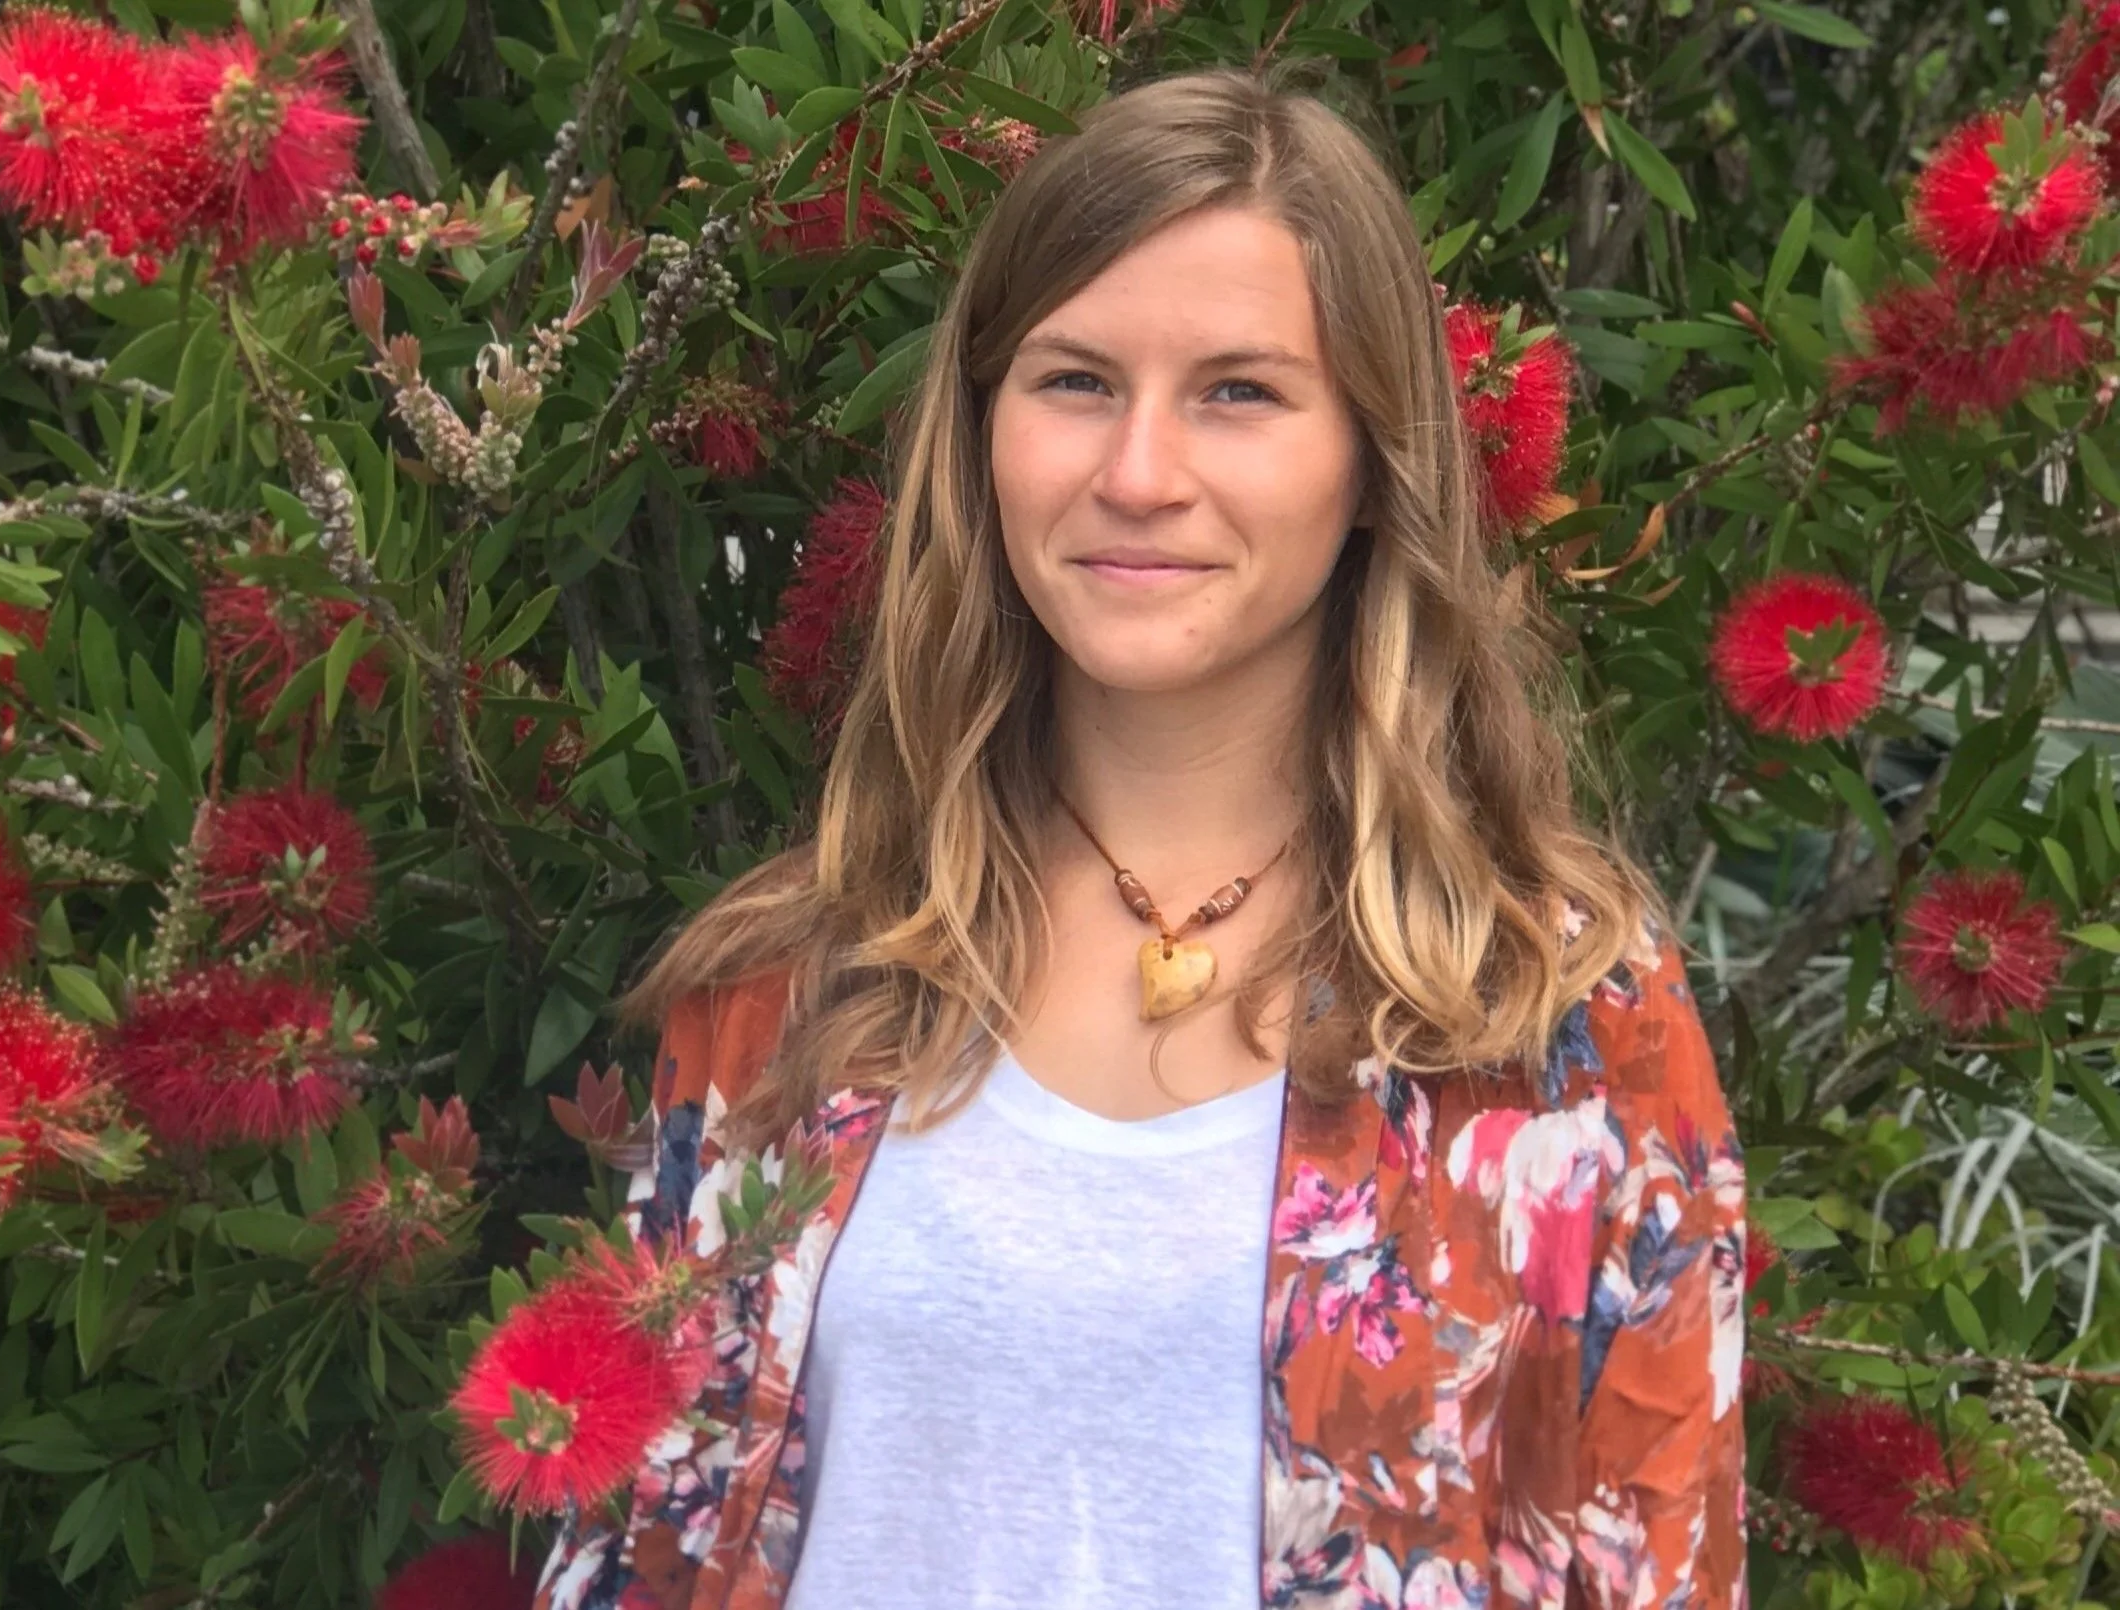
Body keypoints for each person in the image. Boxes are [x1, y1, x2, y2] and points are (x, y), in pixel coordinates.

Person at [536, 62, 1747, 1610]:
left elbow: (1655, 1568)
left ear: (1371, 463)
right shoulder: (790, 985)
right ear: (984, 431)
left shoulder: (1560, 1019)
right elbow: (641, 1543)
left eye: (1239, 390)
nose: (1138, 474)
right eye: (1075, 380)